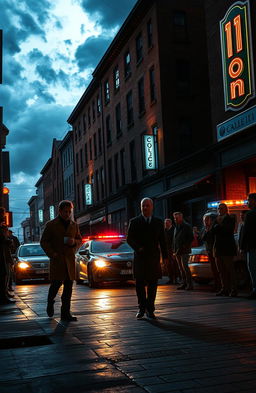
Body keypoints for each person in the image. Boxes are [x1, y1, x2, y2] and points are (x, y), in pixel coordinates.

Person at [40, 200, 82, 321]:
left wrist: (74, 242)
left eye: (70, 211)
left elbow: (80, 240)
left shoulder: (74, 225)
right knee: (56, 285)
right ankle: (50, 302)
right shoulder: (51, 225)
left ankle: (65, 313)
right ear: (60, 211)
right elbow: (44, 241)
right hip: (57, 259)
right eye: (65, 211)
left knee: (68, 288)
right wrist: (52, 253)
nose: (68, 214)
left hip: (69, 260)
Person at [127, 197, 168, 319]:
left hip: (153, 258)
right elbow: (129, 239)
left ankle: (150, 309)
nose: (145, 208)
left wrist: (165, 257)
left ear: (152, 207)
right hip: (140, 257)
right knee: (139, 284)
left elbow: (163, 241)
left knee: (153, 284)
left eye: (147, 206)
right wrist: (138, 248)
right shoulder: (134, 222)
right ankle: (141, 308)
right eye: (143, 206)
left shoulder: (158, 222)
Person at [211, 203, 237, 297]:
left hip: (227, 248)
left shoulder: (230, 218)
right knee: (221, 271)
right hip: (218, 248)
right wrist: (216, 227)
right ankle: (224, 288)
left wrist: (218, 226)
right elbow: (212, 232)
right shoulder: (216, 219)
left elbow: (228, 230)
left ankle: (234, 289)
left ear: (226, 209)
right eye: (218, 208)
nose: (219, 210)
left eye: (221, 208)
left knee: (230, 270)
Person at [172, 212, 194, 290]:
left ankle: (189, 284)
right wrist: (174, 250)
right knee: (181, 268)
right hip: (178, 251)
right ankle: (184, 283)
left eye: (176, 218)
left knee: (185, 267)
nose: (175, 220)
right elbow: (174, 240)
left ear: (181, 217)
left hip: (184, 250)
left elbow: (191, 238)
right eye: (174, 218)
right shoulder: (176, 227)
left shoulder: (186, 226)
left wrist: (185, 246)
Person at [240, 193, 256, 299]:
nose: (247, 202)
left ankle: (255, 289)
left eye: (248, 200)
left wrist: (241, 246)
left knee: (253, 268)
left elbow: (246, 232)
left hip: (252, 245)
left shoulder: (250, 214)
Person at [201, 212, 221, 292]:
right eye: (204, 220)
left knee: (218, 269)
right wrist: (206, 230)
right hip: (209, 251)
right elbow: (203, 238)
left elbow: (212, 237)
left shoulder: (214, 227)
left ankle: (220, 285)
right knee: (213, 269)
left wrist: (208, 230)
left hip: (215, 250)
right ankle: (216, 284)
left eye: (207, 220)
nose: (205, 221)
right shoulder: (205, 229)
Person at [0, 207, 15, 304]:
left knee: (5, 274)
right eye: (2, 213)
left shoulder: (2, 224)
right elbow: (2, 239)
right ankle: (3, 296)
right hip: (2, 253)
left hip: (4, 252)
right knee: (3, 274)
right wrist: (8, 241)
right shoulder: (1, 225)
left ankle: (5, 293)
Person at [164, 218, 179, 284]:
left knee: (174, 264)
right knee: (168, 265)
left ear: (170, 223)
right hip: (166, 250)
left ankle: (176, 278)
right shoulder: (164, 230)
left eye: (167, 223)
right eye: (165, 223)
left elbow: (175, 241)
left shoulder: (174, 230)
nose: (166, 225)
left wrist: (174, 250)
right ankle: (170, 278)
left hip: (172, 250)